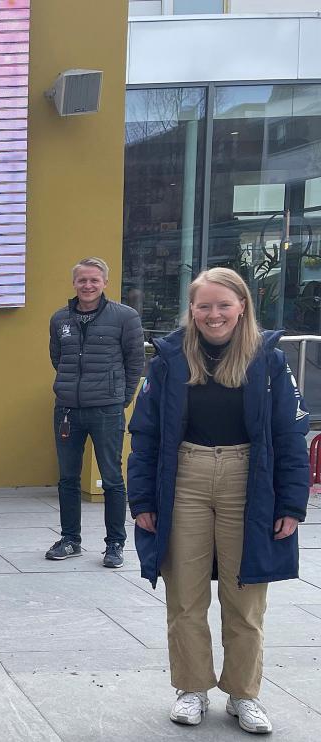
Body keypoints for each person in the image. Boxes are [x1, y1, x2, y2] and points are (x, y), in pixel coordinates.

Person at [128, 268, 308, 735]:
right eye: (204, 306)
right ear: (191, 309)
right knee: (184, 595)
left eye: (223, 305)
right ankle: (192, 688)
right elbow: (144, 433)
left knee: (245, 599)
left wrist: (291, 503)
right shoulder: (169, 358)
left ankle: (244, 695)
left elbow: (290, 431)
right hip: (183, 478)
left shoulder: (268, 360)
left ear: (242, 306)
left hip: (250, 482)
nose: (214, 315)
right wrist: (142, 497)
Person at [46, 257, 143, 567]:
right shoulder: (59, 318)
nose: (88, 286)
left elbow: (135, 363)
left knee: (112, 479)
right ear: (74, 283)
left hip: (106, 410)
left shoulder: (125, 317)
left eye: (94, 280)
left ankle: (115, 544)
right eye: (82, 280)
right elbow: (57, 358)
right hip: (67, 411)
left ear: (105, 283)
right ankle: (70, 539)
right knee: (67, 479)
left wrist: (121, 398)